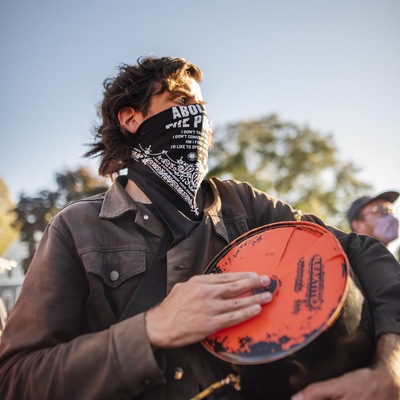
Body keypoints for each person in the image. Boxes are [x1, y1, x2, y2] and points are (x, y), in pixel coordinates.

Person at [0, 56, 399, 400]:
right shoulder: (78, 228)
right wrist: (151, 330)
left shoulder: (244, 204)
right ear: (131, 118)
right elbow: (17, 378)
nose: (199, 117)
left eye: (202, 107)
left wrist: (391, 363)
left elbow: (361, 252)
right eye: (181, 101)